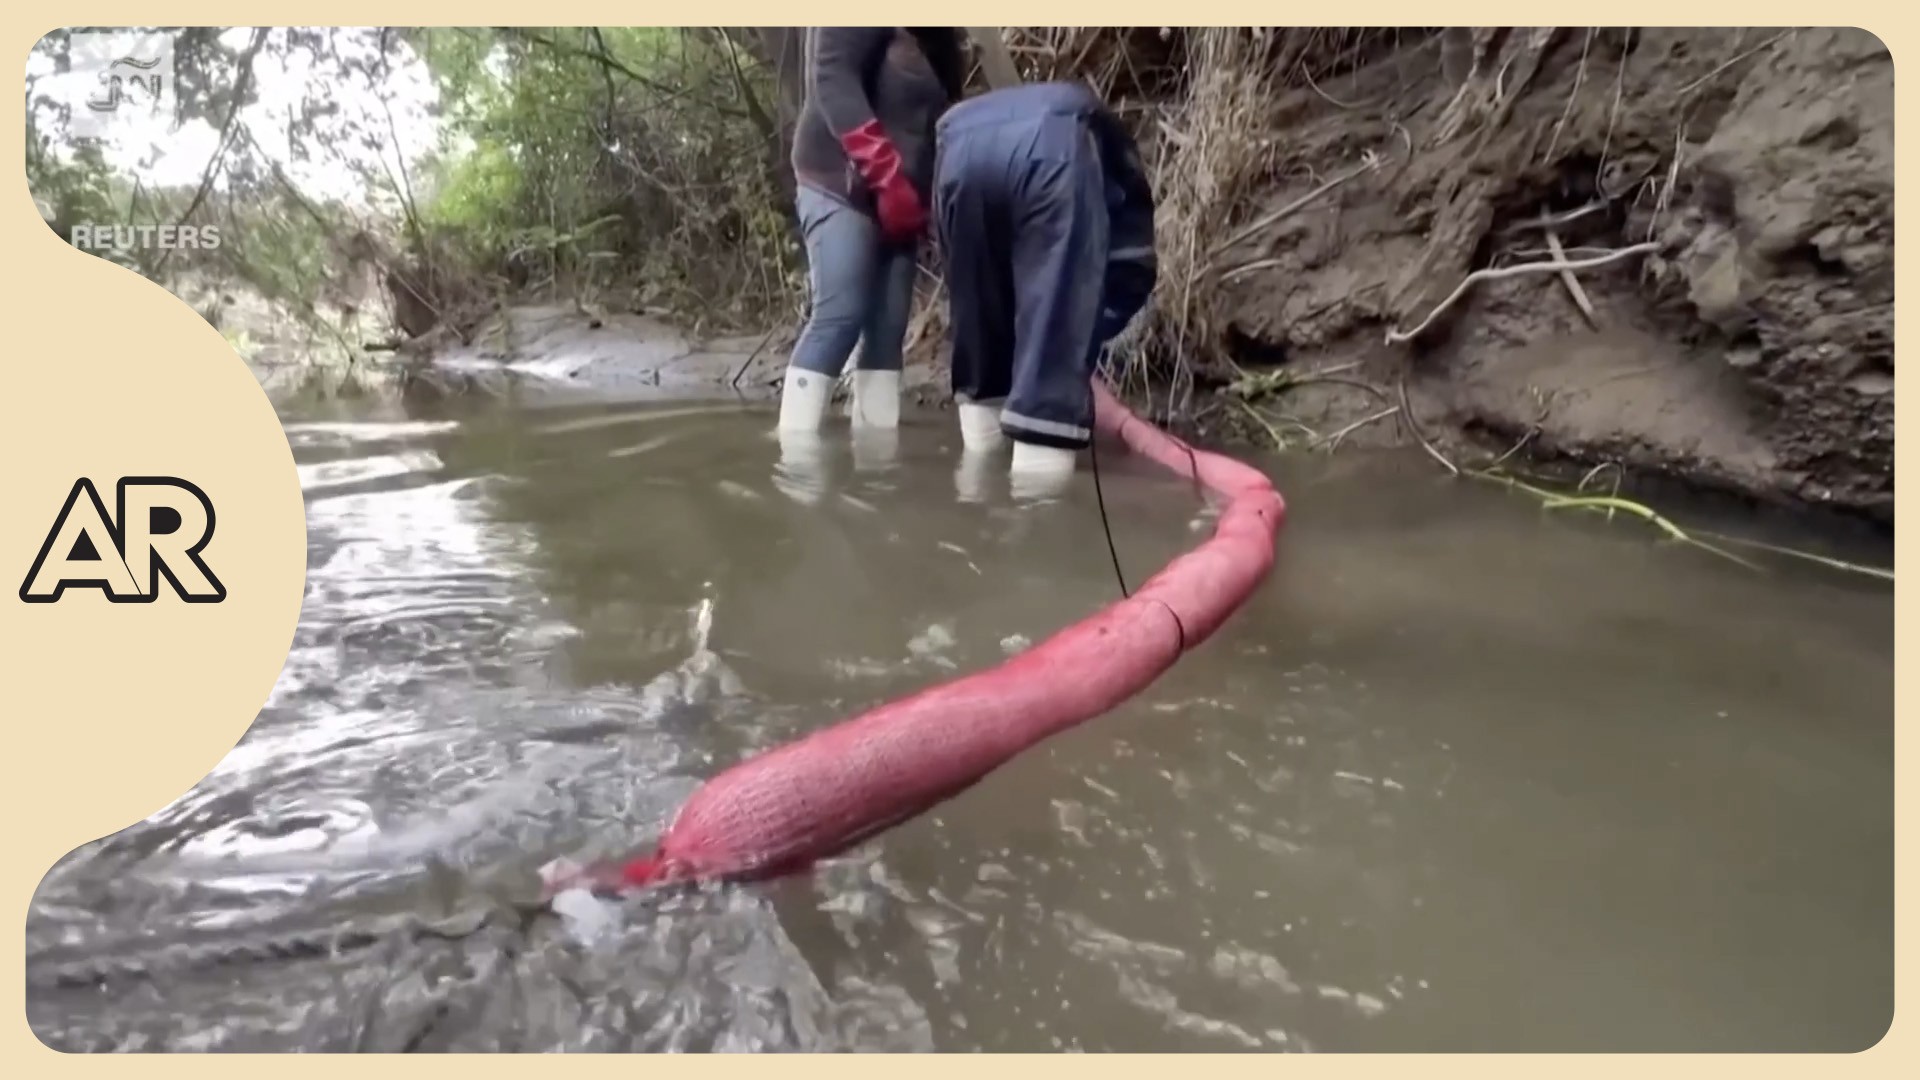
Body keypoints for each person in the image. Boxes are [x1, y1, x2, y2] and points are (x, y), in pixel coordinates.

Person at [931, 80, 1158, 493]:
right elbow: (1133, 264)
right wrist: (1076, 344)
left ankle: (976, 494)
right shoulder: (1116, 170)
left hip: (955, 148)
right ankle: (1036, 529)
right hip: (1052, 144)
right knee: (1052, 355)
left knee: (978, 323)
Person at [777, 28, 968, 435]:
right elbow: (832, 78)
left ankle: (877, 466)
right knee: (841, 314)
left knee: (888, 329)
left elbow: (947, 117)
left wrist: (931, 195)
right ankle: (795, 467)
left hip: (903, 200)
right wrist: (885, 174)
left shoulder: (944, 36)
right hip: (837, 181)